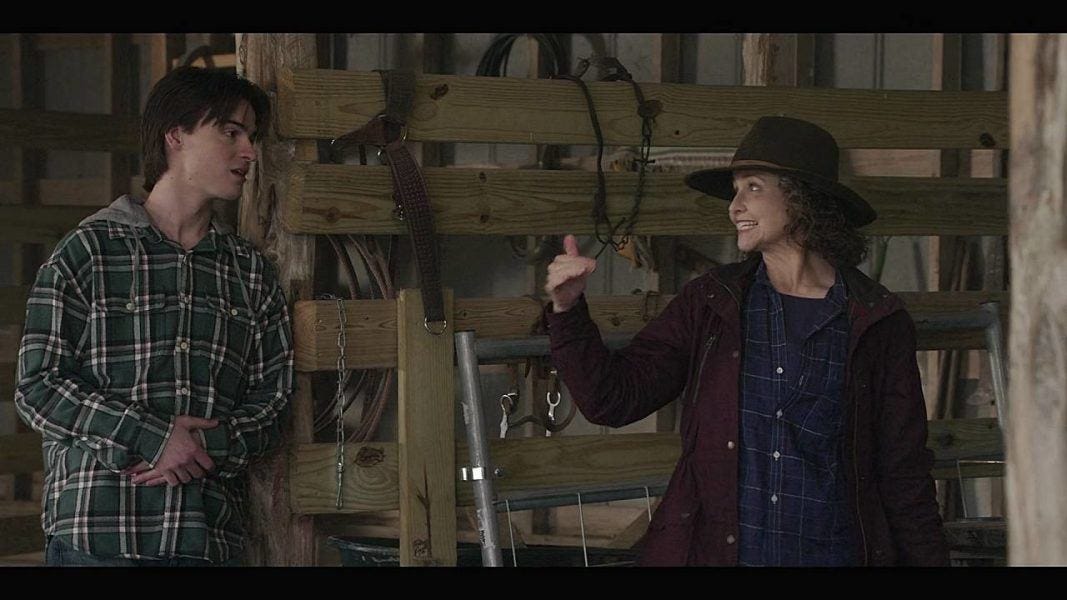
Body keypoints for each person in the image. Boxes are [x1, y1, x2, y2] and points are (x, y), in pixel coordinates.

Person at [543, 116, 949, 566]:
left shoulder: (875, 321)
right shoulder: (711, 304)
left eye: (752, 188)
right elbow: (612, 399)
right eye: (735, 191)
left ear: (802, 199)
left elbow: (903, 472)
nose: (735, 207)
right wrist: (568, 309)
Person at [14, 66, 293, 567]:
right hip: (97, 538)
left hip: (204, 540)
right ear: (176, 135)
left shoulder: (250, 272)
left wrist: (203, 445)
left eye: (251, 137)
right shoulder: (88, 252)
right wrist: (153, 437)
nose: (250, 152)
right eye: (231, 133)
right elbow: (38, 386)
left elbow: (272, 403)